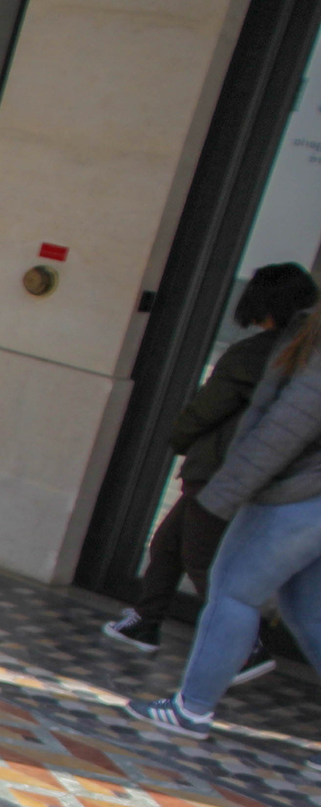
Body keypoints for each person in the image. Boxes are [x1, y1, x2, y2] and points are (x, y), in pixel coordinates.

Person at [102, 261, 318, 680]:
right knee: (169, 544)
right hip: (244, 476)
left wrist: (179, 438)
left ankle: (243, 649)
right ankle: (146, 621)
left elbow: (206, 411)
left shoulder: (257, 354)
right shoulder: (300, 355)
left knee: (207, 563)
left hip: (220, 472)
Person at [127, 306, 321, 740]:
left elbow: (285, 430)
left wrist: (225, 492)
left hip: (299, 495)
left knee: (233, 591)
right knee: (309, 614)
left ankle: (191, 709)